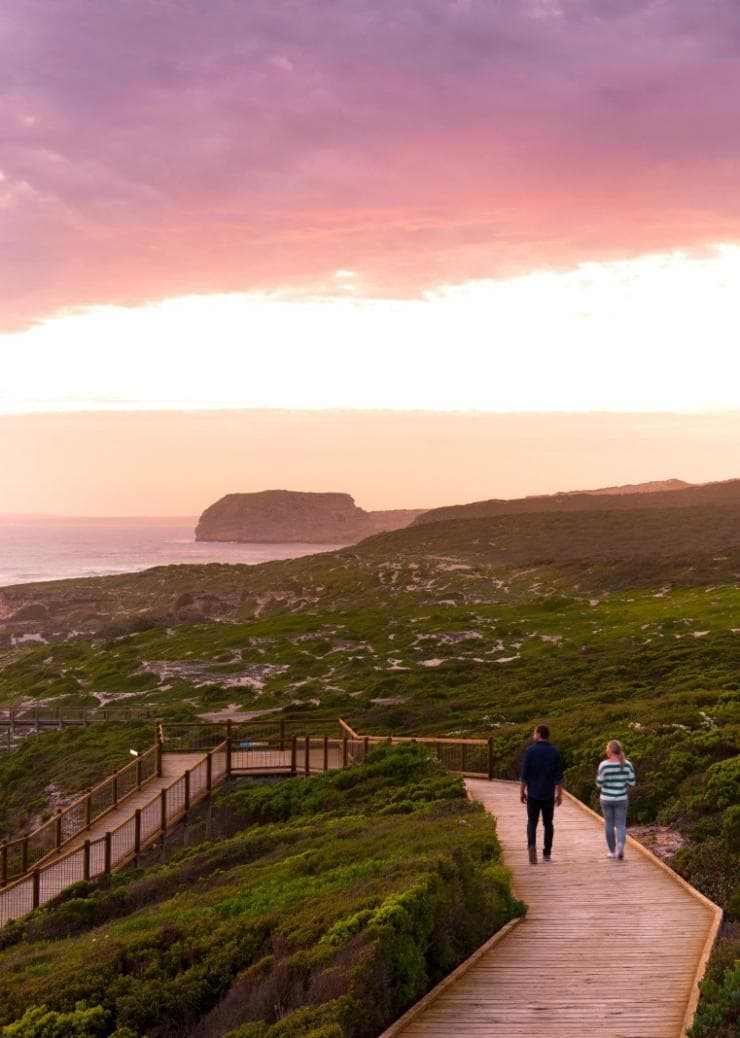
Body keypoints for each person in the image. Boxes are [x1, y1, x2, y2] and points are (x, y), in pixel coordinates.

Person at [520, 724, 564, 864]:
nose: (533, 735)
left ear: (539, 734)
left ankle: (531, 846)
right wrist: (559, 794)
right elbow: (558, 776)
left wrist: (522, 791)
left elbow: (525, 774)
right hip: (548, 794)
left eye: (534, 733)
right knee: (548, 824)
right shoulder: (555, 752)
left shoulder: (530, 751)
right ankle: (547, 852)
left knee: (532, 822)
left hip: (533, 793)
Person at [596, 739, 636, 859]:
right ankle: (620, 846)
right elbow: (632, 782)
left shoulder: (604, 765)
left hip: (606, 798)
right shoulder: (628, 764)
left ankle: (613, 852)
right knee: (621, 825)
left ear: (609, 751)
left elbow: (599, 783)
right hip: (621, 798)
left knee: (609, 824)